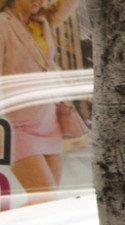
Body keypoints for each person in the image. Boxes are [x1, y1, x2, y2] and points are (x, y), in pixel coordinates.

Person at [0, 0, 82, 205]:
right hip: (16, 124)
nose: (41, 0)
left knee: (48, 202)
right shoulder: (2, 24)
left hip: (48, 119)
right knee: (45, 198)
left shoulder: (42, 21)